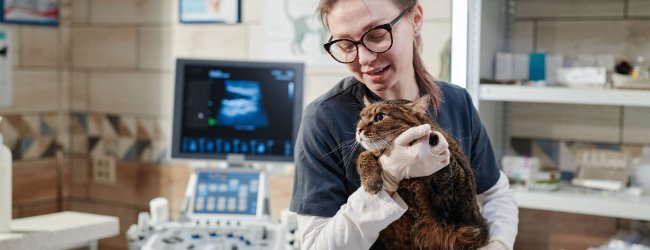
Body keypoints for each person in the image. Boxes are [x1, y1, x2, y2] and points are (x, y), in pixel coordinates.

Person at [289, 0, 519, 249]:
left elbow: (496, 194)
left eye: (376, 35)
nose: (365, 59)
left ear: (415, 20)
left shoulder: (456, 101)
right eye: (346, 45)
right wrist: (386, 178)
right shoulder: (325, 119)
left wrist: (499, 244)